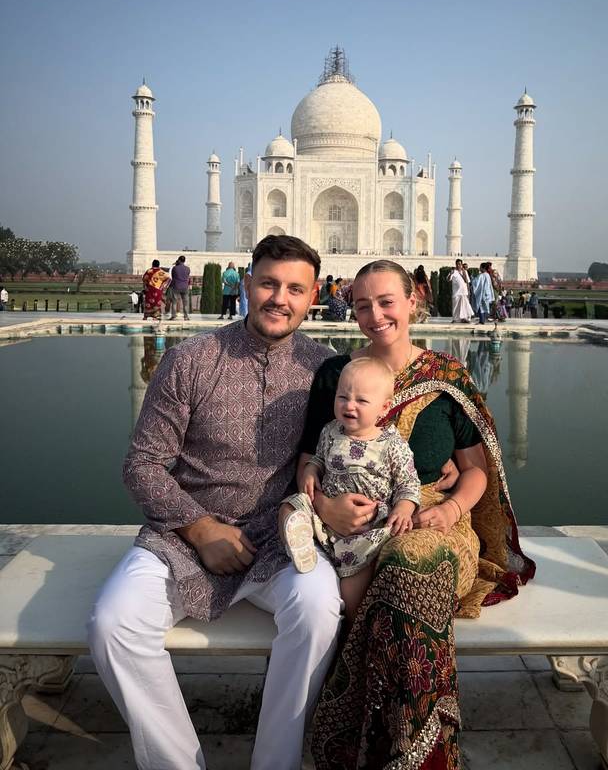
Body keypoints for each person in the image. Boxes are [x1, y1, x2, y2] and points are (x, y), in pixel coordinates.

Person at [88, 236, 343, 770]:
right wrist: (200, 529)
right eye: (269, 283)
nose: (280, 298)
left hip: (279, 539)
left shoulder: (327, 372)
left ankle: (276, 762)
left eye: (295, 288)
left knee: (318, 609)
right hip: (182, 537)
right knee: (114, 624)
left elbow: (342, 455)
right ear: (247, 283)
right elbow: (142, 464)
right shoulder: (190, 361)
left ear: (313, 295)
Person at [301, 259, 535, 770]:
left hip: (435, 524)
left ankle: (410, 746)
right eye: (362, 304)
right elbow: (308, 459)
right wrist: (322, 504)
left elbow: (476, 472)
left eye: (387, 301)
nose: (374, 314)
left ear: (414, 302)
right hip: (348, 529)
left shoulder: (446, 377)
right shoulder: (337, 376)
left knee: (409, 567)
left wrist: (451, 508)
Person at [279, 356, 420, 622]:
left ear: (383, 407)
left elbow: (408, 483)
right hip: (325, 515)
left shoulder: (392, 444)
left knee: (351, 590)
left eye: (361, 401)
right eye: (343, 397)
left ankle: (354, 635)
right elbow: (319, 458)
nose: (349, 406)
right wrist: (311, 469)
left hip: (365, 528)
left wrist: (404, 507)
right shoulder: (330, 431)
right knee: (289, 506)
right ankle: (300, 546)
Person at [448, 258, 473, 323]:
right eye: (457, 264)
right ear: (456, 264)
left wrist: (468, 290)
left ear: (461, 264)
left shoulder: (465, 272)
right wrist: (450, 274)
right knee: (456, 306)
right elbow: (448, 279)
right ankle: (455, 319)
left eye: (460, 264)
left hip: (464, 292)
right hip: (456, 292)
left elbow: (467, 281)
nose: (459, 265)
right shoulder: (453, 271)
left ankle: (465, 318)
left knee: (465, 306)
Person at [169, 255, 191, 321]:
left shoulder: (175, 268)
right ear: (184, 261)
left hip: (176, 286)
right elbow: (187, 277)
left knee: (174, 302)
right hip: (185, 286)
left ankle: (173, 316)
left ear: (179, 260)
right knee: (185, 303)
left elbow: (173, 277)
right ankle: (186, 316)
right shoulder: (187, 268)